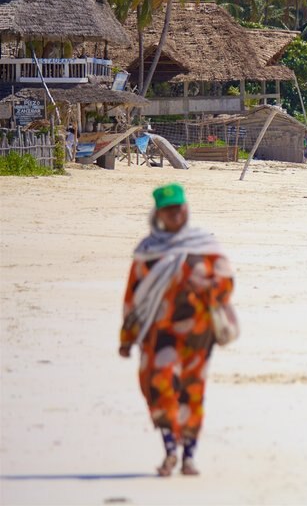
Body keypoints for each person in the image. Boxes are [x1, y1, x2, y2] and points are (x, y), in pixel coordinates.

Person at [120, 184, 236, 477]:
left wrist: (208, 286)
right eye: (170, 210)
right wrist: (127, 338)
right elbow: (133, 297)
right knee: (158, 387)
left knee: (191, 391)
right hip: (159, 335)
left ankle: (189, 457)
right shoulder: (147, 252)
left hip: (199, 335)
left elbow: (227, 283)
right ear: (159, 213)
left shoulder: (204, 246)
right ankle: (170, 450)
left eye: (180, 208)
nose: (176, 214)